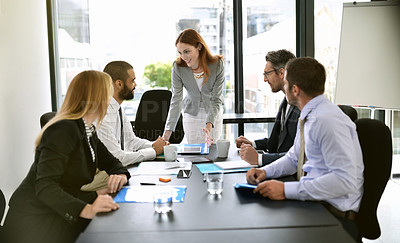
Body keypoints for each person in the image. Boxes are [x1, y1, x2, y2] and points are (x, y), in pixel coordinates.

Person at [4, 70, 131, 243]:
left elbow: (113, 163)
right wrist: (87, 209)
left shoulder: (87, 130)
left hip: (57, 209)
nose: (110, 101)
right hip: (36, 220)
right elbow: (45, 187)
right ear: (97, 97)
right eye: (108, 95)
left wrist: (121, 176)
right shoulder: (64, 129)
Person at [246, 57, 364, 239]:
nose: (284, 88)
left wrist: (285, 190)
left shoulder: (326, 120)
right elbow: (294, 158)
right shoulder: (310, 116)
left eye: (286, 83)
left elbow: (344, 180)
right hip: (316, 202)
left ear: (295, 89)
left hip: (333, 214)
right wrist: (264, 171)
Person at [81, 61, 169, 191]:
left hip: (114, 167)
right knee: (139, 182)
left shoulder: (117, 108)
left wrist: (154, 145)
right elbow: (118, 158)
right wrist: (153, 151)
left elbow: (131, 141)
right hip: (98, 175)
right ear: (119, 84)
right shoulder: (102, 114)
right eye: (132, 81)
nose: (135, 85)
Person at [237, 50, 300, 166]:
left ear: (282, 73)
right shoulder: (286, 102)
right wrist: (253, 144)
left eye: (268, 73)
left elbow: (296, 156)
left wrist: (259, 159)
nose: (265, 79)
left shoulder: (299, 106)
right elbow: (278, 141)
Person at [163, 29, 224, 145]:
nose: (183, 57)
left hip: (213, 114)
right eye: (180, 52)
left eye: (187, 51)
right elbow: (176, 99)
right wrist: (167, 134)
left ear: (199, 47)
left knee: (211, 151)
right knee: (192, 151)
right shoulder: (178, 67)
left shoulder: (217, 64)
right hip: (191, 114)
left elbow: (216, 99)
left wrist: (209, 125)